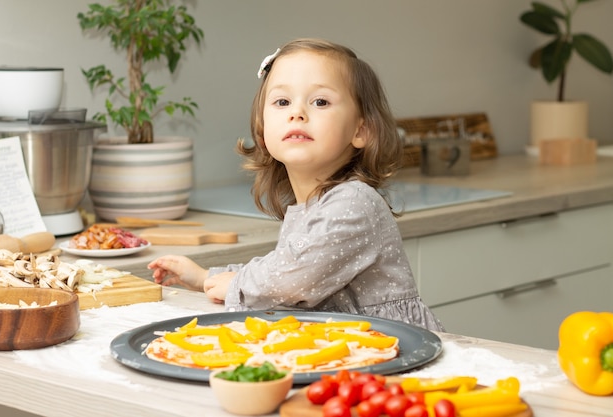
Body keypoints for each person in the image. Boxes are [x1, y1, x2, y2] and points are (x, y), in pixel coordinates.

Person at [148, 38, 444, 331]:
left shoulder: (354, 202)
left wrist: (234, 285)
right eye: (282, 102)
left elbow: (294, 280)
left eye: (320, 102)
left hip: (398, 349)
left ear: (361, 130)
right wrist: (206, 277)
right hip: (353, 350)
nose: (297, 113)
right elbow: (283, 266)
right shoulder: (312, 205)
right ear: (263, 133)